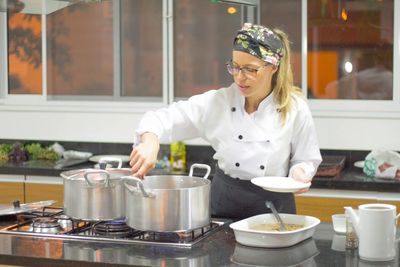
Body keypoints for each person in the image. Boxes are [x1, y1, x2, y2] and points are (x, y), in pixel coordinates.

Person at [129, 23, 322, 219]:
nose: (240, 77)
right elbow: (160, 118)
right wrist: (150, 141)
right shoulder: (217, 102)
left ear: (273, 67)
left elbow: (306, 158)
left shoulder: (295, 108)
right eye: (235, 67)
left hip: (274, 208)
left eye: (250, 69)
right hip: (223, 206)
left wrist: (299, 172)